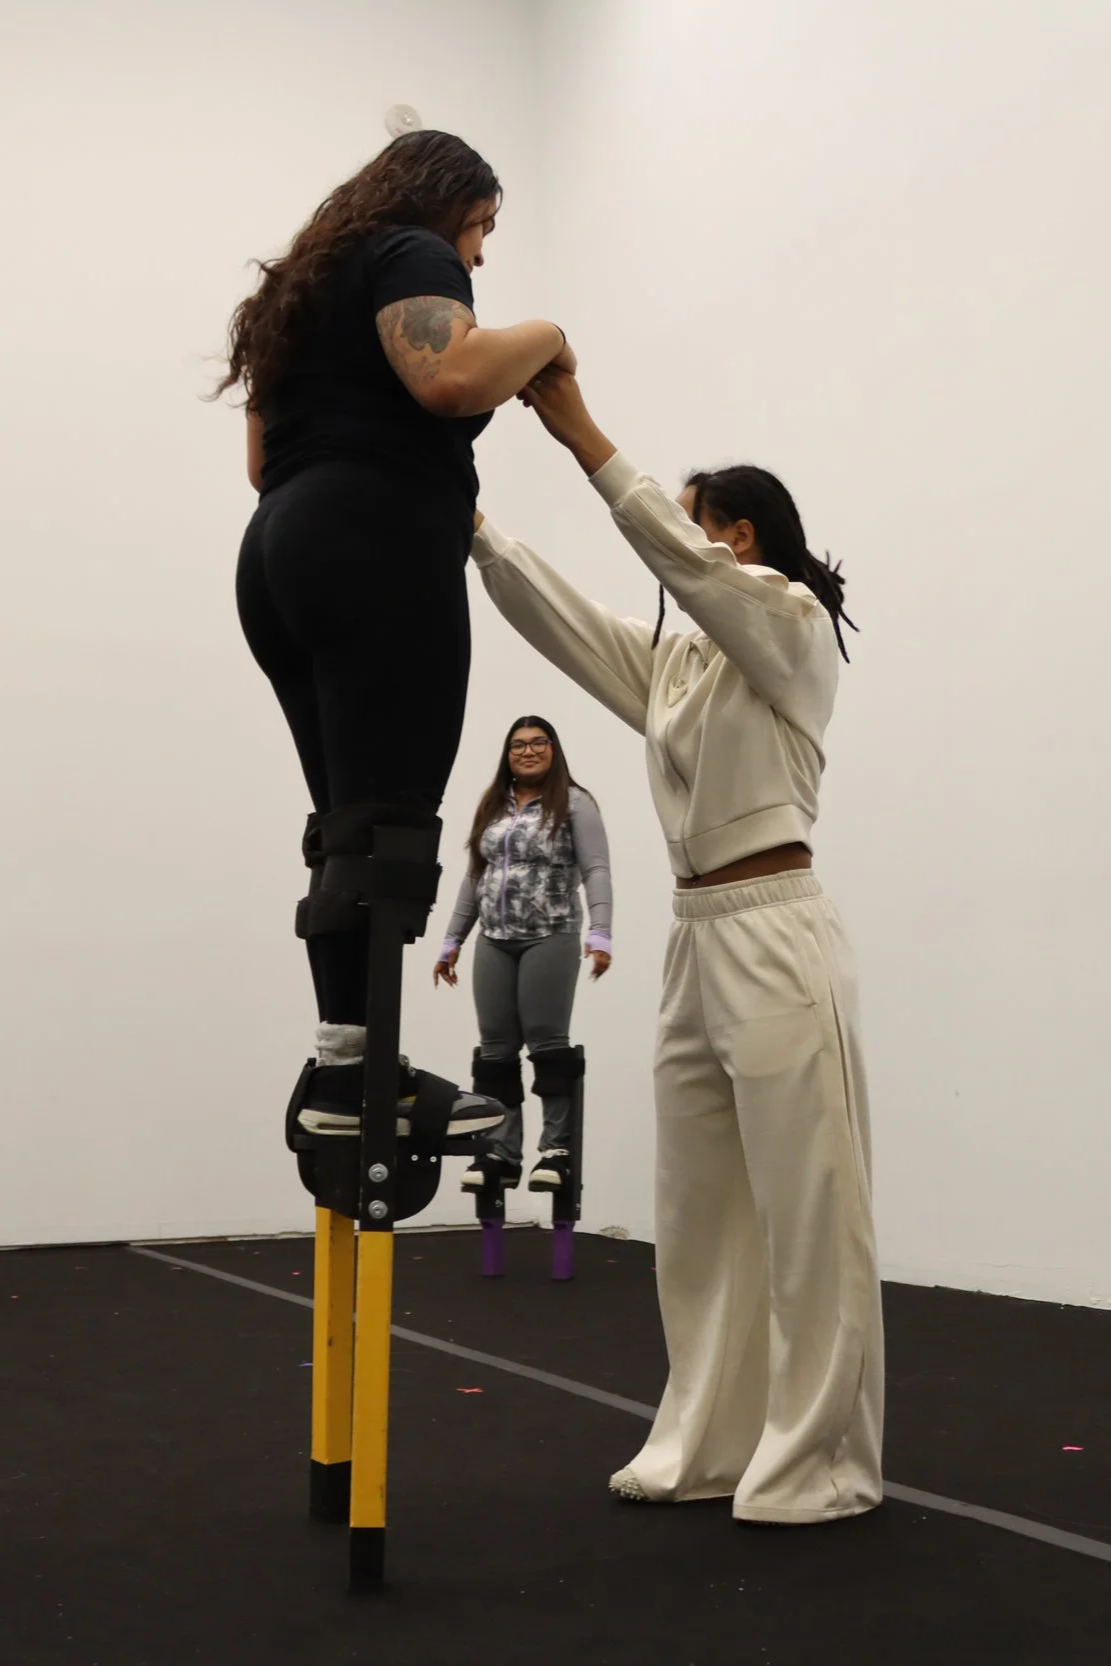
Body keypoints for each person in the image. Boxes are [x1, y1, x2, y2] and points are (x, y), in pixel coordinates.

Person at [469, 368, 883, 1525]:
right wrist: (476, 526)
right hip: (695, 939)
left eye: (698, 522)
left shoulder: (790, 631)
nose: (682, 547)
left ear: (738, 534)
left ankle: (821, 1462)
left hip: (779, 931)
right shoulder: (683, 668)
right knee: (697, 1208)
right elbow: (564, 621)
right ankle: (706, 1440)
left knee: (808, 1203)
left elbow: (687, 572)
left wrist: (583, 437)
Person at [219, 130, 576, 1139]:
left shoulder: (298, 291)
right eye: (481, 231)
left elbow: (259, 461)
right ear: (446, 205)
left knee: (346, 827)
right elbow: (451, 378)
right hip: (373, 547)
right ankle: (364, 1078)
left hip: (278, 552)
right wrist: (545, 334)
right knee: (387, 831)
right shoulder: (409, 252)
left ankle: (342, 1059)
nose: (476, 257)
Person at [432, 716, 613, 1193]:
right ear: (507, 754)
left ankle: (556, 1151)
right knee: (495, 1049)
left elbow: (595, 868)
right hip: (494, 938)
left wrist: (601, 932)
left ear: (554, 749)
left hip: (549, 934)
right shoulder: (494, 806)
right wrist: (452, 941)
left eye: (538, 743)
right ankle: (499, 1151)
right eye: (518, 745)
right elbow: (474, 877)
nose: (528, 752)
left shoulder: (575, 803)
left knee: (546, 1042)